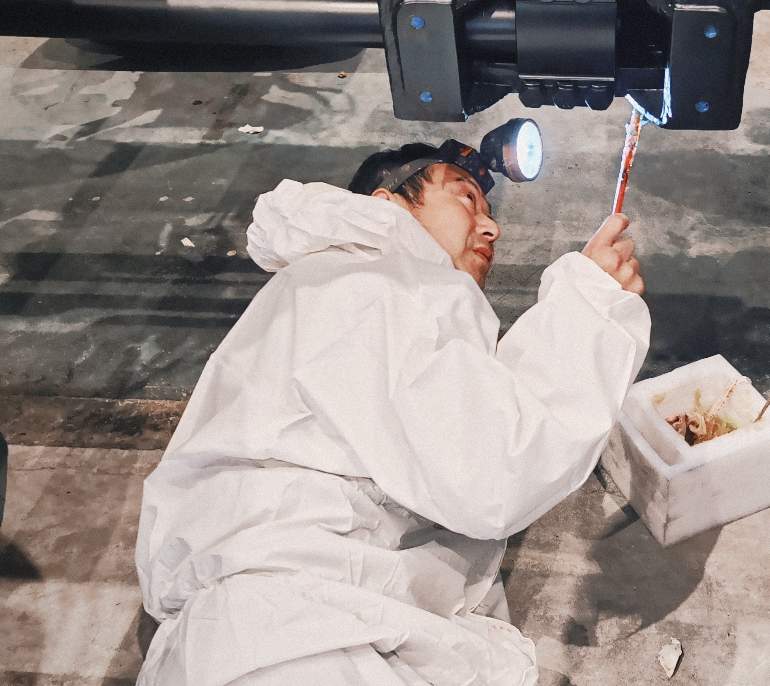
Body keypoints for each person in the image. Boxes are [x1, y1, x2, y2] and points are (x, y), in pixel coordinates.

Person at [134, 139, 650, 686]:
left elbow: (470, 414)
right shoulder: (373, 280)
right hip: (295, 633)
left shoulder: (345, 285)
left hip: (282, 625)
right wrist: (590, 307)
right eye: (466, 197)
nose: (491, 227)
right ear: (387, 203)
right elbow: (494, 469)